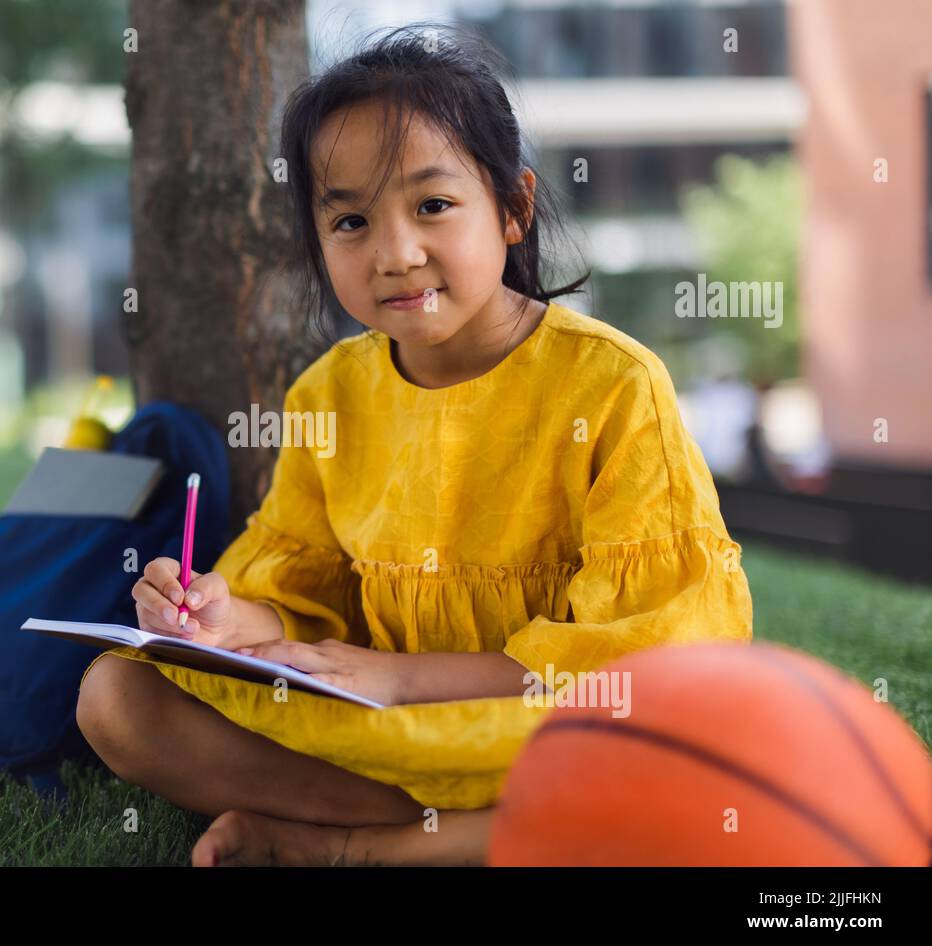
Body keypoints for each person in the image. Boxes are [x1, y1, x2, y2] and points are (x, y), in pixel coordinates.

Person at [76, 24, 754, 866]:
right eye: (351, 220)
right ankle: (462, 834)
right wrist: (221, 618)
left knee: (678, 751)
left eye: (433, 205)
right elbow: (302, 600)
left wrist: (404, 680)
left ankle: (360, 847)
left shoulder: (614, 384)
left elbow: (648, 657)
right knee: (117, 695)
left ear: (514, 208)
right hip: (382, 730)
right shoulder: (330, 393)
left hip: (540, 723)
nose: (395, 254)